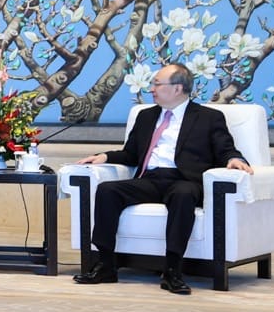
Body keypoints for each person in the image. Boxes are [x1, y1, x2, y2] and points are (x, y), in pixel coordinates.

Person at [72, 62, 252, 296]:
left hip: (185, 180)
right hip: (151, 178)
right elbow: (131, 154)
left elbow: (225, 148)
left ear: (177, 88)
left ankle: (172, 271)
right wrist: (104, 156)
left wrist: (235, 159)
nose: (151, 89)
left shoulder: (209, 117)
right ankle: (105, 265)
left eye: (157, 84)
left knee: (183, 195)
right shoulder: (146, 116)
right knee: (108, 190)